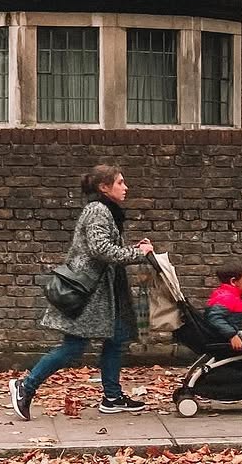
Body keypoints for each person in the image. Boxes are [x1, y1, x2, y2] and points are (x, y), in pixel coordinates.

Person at [9, 163, 154, 421]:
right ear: (104, 187)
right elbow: (101, 250)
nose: (125, 187)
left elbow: (105, 247)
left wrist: (134, 248)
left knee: (116, 339)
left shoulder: (106, 210)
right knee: (73, 347)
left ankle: (112, 397)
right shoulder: (98, 210)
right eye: (120, 182)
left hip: (104, 294)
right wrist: (137, 254)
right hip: (89, 294)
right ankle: (26, 386)